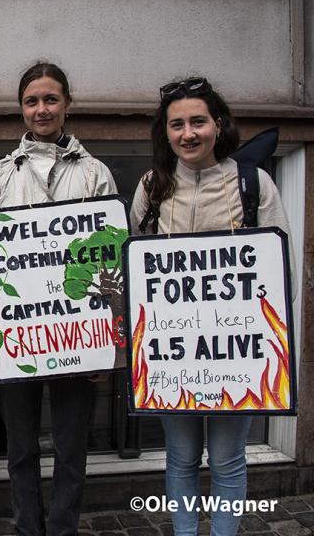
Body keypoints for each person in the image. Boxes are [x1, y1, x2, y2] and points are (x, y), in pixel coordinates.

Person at [130, 76, 291, 536]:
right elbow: (133, 267)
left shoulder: (252, 184)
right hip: (173, 355)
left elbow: (281, 274)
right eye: (176, 124)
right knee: (180, 458)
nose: (188, 133)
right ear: (166, 133)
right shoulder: (151, 188)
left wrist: (267, 347)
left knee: (227, 460)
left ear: (218, 125)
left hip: (234, 353)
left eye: (198, 121)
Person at [0, 62, 117, 536]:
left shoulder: (96, 174)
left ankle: (62, 528)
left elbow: (109, 262)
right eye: (32, 101)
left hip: (78, 335)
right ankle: (27, 528)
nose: (42, 109)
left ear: (67, 105)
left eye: (51, 99)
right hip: (16, 333)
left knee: (72, 447)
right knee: (21, 449)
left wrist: (109, 339)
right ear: (21, 109)